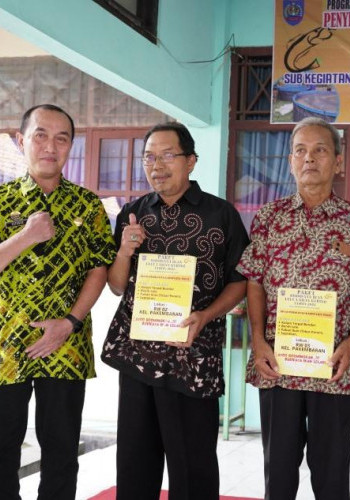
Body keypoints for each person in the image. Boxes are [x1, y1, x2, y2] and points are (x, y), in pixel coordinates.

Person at [101, 122, 249, 499]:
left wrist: (206, 315)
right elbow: (117, 285)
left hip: (194, 358)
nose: (157, 165)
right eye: (149, 157)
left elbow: (240, 282)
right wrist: (125, 250)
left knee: (193, 467)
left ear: (191, 161)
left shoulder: (221, 214)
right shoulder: (133, 213)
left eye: (168, 155)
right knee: (135, 466)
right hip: (138, 358)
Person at [237, 117, 350, 500]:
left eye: (320, 150)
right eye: (300, 151)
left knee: (331, 475)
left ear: (338, 161)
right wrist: (258, 340)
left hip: (335, 367)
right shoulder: (269, 218)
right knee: (279, 472)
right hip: (278, 365)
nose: (309, 158)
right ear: (290, 162)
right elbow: (254, 281)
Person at [0, 104, 116, 500]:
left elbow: (99, 269)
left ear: (71, 146)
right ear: (21, 141)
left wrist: (70, 322)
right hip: (3, 346)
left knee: (61, 451)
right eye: (40, 135)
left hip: (65, 345)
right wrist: (25, 236)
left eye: (61, 138)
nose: (50, 146)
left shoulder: (88, 206)